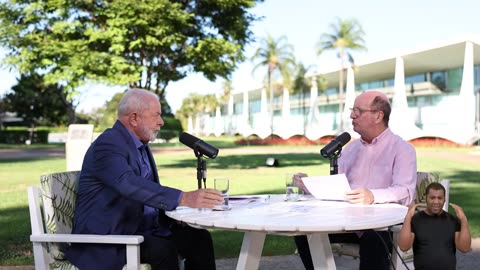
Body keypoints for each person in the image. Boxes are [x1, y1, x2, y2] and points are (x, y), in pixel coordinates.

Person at [65, 88, 223, 270]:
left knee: (199, 238)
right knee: (163, 249)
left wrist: (177, 213)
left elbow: (148, 193)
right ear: (134, 118)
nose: (161, 122)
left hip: (144, 229)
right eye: (156, 115)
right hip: (111, 238)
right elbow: (127, 182)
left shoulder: (140, 144)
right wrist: (183, 197)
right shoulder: (107, 144)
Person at [294, 90, 417, 270]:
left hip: (383, 225)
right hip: (348, 222)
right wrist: (308, 185)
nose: (352, 115)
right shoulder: (350, 149)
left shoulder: (403, 149)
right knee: (305, 232)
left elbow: (405, 192)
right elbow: (337, 189)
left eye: (358, 111)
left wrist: (372, 196)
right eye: (353, 110)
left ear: (378, 116)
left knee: (374, 239)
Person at [398, 182, 471, 270]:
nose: (436, 202)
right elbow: (404, 247)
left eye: (440, 198)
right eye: (432, 198)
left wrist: (463, 219)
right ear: (426, 199)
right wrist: (408, 217)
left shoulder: (453, 220)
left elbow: (464, 248)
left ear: (444, 199)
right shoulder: (416, 220)